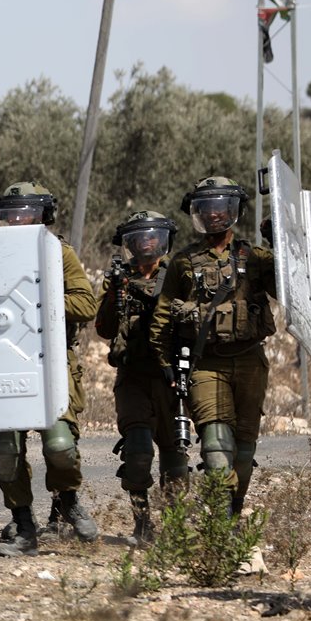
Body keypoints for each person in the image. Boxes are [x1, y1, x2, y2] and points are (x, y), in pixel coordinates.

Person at [150, 176, 276, 516]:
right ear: (197, 214)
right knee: (217, 450)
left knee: (245, 453)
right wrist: (166, 365)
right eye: (207, 208)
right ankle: (219, 525)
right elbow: (163, 317)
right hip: (206, 366)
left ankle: (233, 514)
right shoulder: (183, 262)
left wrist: (281, 241)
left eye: (221, 207)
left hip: (250, 362)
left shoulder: (256, 257)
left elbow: (292, 287)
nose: (215, 214)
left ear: (233, 211)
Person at [0, 181, 98, 557]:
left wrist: (41, 298)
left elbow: (86, 304)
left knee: (60, 446)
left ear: (42, 215)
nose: (18, 219)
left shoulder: (58, 252)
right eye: (11, 213)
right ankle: (22, 524)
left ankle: (68, 500)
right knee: (7, 451)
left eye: (27, 212)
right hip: (3, 360)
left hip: (51, 360)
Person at [94, 211, 189, 545]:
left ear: (164, 241)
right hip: (133, 377)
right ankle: (142, 522)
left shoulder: (178, 274)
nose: (147, 243)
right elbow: (104, 329)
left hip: (170, 377)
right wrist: (114, 292)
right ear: (130, 243)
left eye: (154, 237)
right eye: (140, 238)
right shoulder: (119, 279)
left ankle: (175, 528)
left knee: (175, 459)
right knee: (137, 454)